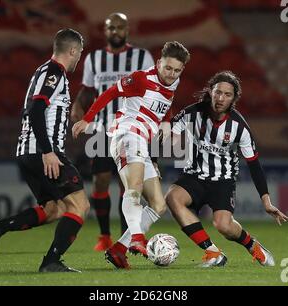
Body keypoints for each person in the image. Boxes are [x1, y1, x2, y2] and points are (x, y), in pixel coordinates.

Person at [73, 41, 201, 269]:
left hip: (142, 142)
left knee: (159, 205)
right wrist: (87, 119)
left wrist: (167, 123)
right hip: (126, 134)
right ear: (159, 62)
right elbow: (111, 92)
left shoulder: (174, 82)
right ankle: (138, 239)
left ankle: (118, 250)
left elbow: (166, 104)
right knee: (135, 187)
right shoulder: (141, 78)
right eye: (168, 68)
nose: (171, 74)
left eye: (177, 70)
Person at [0, 28, 90, 273]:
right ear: (72, 50)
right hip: (43, 153)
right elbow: (37, 109)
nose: (79, 58)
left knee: (55, 209)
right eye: (79, 53)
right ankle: (51, 261)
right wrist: (48, 151)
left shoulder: (43, 71)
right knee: (80, 205)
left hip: (29, 152)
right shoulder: (54, 73)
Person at [165, 71, 288, 267]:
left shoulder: (240, 127)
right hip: (194, 175)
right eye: (217, 92)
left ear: (234, 99)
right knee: (172, 198)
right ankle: (213, 253)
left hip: (223, 180)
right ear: (211, 92)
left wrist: (266, 201)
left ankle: (252, 245)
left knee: (223, 225)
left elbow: (254, 165)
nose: (221, 98)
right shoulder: (192, 113)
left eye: (227, 94)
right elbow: (167, 134)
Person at [71, 12, 154, 252]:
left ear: (127, 30)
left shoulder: (141, 56)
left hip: (131, 128)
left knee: (128, 185)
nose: (115, 31)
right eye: (110, 28)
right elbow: (88, 90)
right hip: (101, 128)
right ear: (104, 31)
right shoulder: (94, 59)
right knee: (101, 182)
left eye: (119, 27)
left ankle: (124, 237)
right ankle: (104, 235)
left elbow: (153, 90)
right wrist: (78, 105)